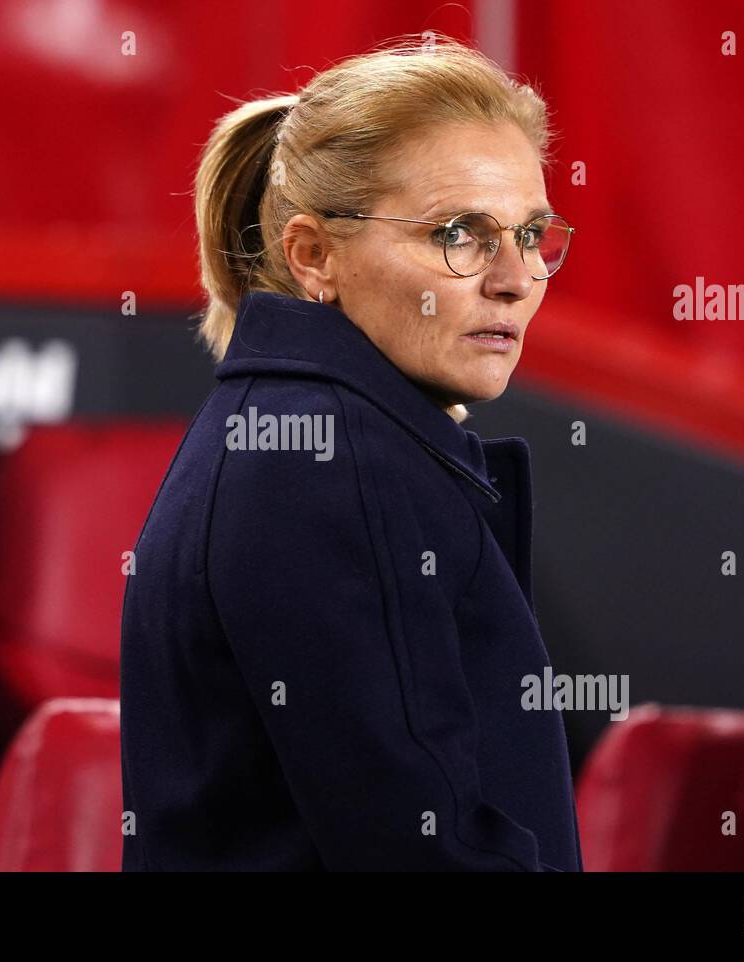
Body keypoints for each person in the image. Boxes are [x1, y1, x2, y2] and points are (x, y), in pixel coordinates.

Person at [120, 33, 581, 871]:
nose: (516, 277)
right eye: (459, 234)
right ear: (313, 257)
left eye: (534, 233)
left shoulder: (310, 436)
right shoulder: (329, 463)